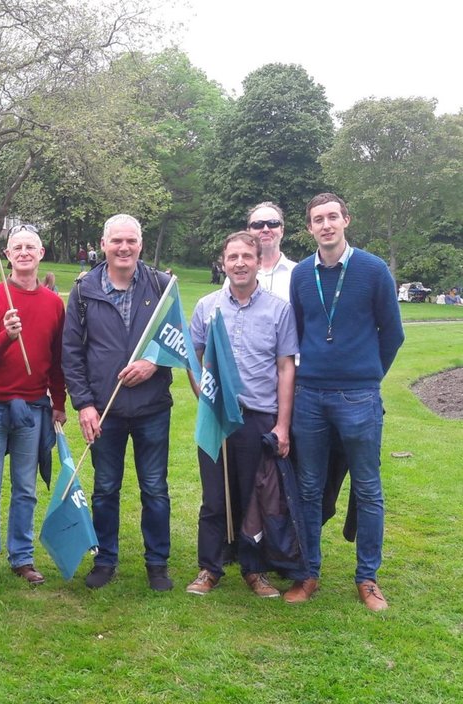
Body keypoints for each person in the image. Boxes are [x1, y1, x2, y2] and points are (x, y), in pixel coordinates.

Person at [285, 193, 404, 612]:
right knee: (309, 487)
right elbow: (297, 333)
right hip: (310, 397)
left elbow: (392, 333)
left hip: (359, 396)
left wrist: (368, 374)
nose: (326, 225)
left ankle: (367, 579)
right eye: (318, 219)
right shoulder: (301, 274)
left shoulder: (372, 270)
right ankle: (308, 573)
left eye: (332, 217)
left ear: (346, 221)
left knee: (368, 489)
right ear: (310, 228)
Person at [62, 214, 175, 591]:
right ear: (104, 243)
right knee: (105, 487)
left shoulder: (161, 285)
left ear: (140, 244)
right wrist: (84, 405)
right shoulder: (83, 290)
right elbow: (72, 353)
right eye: (117, 241)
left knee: (155, 488)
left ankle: (157, 563)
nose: (124, 248)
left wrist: (153, 361)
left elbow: (176, 341)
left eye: (131, 241)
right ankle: (105, 559)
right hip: (103, 410)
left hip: (152, 407)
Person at [186, 232, 298, 598]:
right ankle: (210, 567)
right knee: (214, 495)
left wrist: (282, 425)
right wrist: (204, 394)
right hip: (217, 416)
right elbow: (194, 356)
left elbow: (285, 368)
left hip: (257, 416)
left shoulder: (279, 309)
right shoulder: (207, 307)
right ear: (223, 261)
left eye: (246, 256)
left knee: (255, 495)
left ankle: (255, 570)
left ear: (257, 260)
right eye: (232, 256)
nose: (239, 263)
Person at [0, 224, 66, 589]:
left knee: (25, 487)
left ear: (40, 253)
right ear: (7, 255)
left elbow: (57, 359)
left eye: (30, 247)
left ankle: (22, 557)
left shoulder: (54, 303)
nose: (23, 252)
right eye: (16, 247)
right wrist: (7, 335)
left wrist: (59, 402)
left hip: (34, 406)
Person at [244, 202, 297, 301]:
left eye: (273, 224)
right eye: (258, 225)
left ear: (282, 230)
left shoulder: (298, 273)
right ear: (249, 232)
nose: (265, 229)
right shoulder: (238, 274)